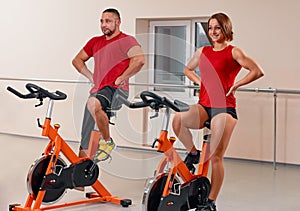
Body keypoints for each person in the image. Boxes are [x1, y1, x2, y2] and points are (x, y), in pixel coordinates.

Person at [172, 13, 264, 211]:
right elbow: (188, 69)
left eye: (217, 28)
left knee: (216, 156)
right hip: (204, 105)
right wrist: (200, 82)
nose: (213, 32)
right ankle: (193, 153)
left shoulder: (234, 52)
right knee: (177, 120)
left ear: (226, 29)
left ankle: (210, 201)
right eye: (210, 28)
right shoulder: (203, 51)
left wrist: (237, 84)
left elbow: (257, 70)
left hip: (225, 108)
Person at [72, 8, 145, 163]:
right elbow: (77, 60)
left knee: (93, 103)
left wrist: (122, 78)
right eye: (102, 21)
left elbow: (139, 60)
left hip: (117, 90)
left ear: (118, 22)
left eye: (108, 21)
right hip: (98, 90)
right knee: (85, 136)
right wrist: (91, 76)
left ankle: (107, 142)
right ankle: (80, 179)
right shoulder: (95, 42)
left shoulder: (127, 40)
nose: (104, 24)